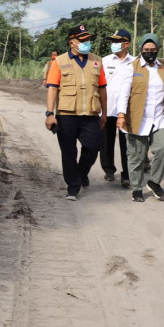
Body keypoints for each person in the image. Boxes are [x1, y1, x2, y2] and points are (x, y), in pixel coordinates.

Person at [115, 33, 164, 203]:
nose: (149, 52)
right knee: (137, 156)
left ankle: (154, 182)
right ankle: (137, 188)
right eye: (146, 49)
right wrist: (121, 115)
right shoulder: (132, 67)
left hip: (160, 117)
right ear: (141, 50)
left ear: (158, 50)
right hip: (138, 118)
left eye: (153, 50)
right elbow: (123, 95)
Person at [44, 25, 108, 200]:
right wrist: (50, 114)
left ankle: (81, 173)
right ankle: (73, 186)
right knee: (69, 152)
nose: (86, 42)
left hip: (91, 115)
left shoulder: (97, 61)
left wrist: (104, 113)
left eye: (88, 39)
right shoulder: (59, 62)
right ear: (72, 42)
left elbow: (102, 89)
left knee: (93, 147)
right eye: (82, 39)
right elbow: (52, 89)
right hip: (66, 115)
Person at [100, 29, 134, 187]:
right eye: (112, 41)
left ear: (126, 44)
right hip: (108, 108)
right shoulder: (105, 61)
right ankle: (108, 169)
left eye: (117, 41)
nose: (114, 44)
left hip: (127, 111)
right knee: (106, 142)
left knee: (127, 144)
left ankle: (126, 174)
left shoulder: (135, 62)